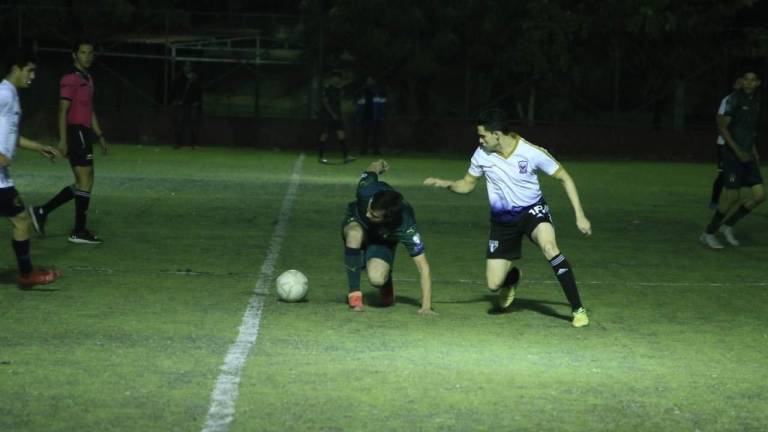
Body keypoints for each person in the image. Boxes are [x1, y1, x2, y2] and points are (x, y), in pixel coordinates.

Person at [423, 110, 591, 327]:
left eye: (483, 136)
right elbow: (467, 184)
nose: (479, 140)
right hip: (502, 221)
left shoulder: (531, 152)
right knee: (493, 285)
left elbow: (564, 178)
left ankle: (578, 309)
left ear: (497, 134)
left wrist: (580, 215)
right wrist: (446, 183)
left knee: (550, 248)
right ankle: (512, 279)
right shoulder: (481, 154)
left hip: (533, 211)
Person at [29, 40, 106, 244]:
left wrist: (100, 135)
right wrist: (63, 140)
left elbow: (90, 109)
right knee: (85, 180)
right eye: (83, 52)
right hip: (75, 132)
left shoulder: (87, 77)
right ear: (74, 55)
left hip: (85, 133)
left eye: (90, 52)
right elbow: (62, 110)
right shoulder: (70, 78)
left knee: (85, 181)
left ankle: (42, 210)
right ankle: (78, 231)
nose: (87, 56)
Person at [0, 48, 62, 286]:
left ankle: (27, 272)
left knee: (21, 219)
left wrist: (38, 146)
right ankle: (27, 274)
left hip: (3, 177)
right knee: (21, 219)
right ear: (16, 68)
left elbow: (11, 136)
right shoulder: (4, 94)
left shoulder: (11, 94)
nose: (33, 76)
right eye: (30, 70)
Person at [342, 159, 434, 314]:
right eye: (369, 208)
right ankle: (354, 294)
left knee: (377, 278)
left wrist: (426, 306)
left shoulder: (406, 227)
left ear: (388, 218)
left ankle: (386, 281)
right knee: (354, 235)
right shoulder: (366, 190)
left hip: (382, 239)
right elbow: (372, 169)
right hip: (356, 222)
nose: (367, 213)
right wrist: (379, 164)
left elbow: (423, 268)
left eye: (373, 214)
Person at [700, 69, 764, 249]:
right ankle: (709, 233)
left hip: (748, 156)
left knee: (759, 196)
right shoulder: (734, 99)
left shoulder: (756, 102)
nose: (749, 83)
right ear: (742, 81)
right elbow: (722, 127)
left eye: (753, 80)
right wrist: (737, 151)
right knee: (732, 196)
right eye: (746, 79)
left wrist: (754, 153)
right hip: (733, 158)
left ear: (758, 83)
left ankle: (728, 226)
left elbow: (748, 132)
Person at [709, 78, 743, 209]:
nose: (741, 86)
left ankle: (731, 198)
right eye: (738, 83)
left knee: (734, 173)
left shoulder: (749, 103)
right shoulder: (728, 100)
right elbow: (719, 121)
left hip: (739, 145)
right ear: (734, 86)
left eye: (743, 83)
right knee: (723, 174)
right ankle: (714, 200)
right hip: (724, 144)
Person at [318, 71, 353, 164]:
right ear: (332, 78)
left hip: (337, 116)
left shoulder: (338, 90)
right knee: (324, 135)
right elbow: (325, 102)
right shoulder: (327, 89)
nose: (337, 80)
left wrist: (339, 114)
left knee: (341, 134)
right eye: (335, 78)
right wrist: (332, 114)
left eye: (338, 78)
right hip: (329, 117)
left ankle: (346, 156)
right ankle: (320, 156)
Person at [170, 61, 202, 148]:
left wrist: (197, 102)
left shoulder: (195, 78)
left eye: (189, 66)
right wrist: (176, 100)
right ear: (183, 67)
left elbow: (198, 91)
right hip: (181, 104)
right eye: (186, 66)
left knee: (193, 123)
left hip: (192, 104)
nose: (187, 68)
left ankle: (194, 144)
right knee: (179, 123)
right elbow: (174, 90)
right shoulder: (179, 77)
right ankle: (177, 143)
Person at [356, 76, 386, 155]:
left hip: (375, 117)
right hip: (365, 116)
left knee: (375, 135)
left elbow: (382, 105)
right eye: (368, 80)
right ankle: (364, 150)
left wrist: (381, 116)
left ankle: (375, 150)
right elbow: (359, 105)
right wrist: (359, 116)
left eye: (371, 80)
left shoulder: (378, 92)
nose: (369, 82)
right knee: (364, 135)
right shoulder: (363, 92)